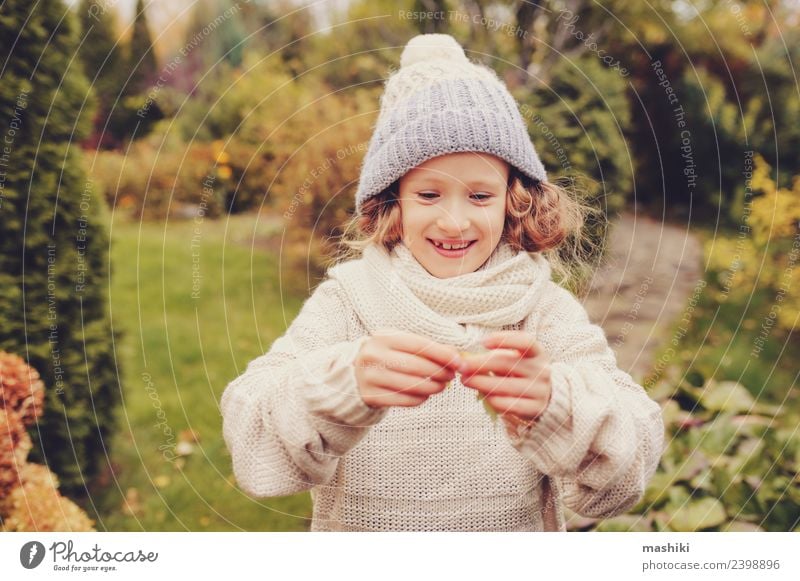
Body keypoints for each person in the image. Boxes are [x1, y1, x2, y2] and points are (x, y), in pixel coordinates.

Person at [220, 33, 664, 532]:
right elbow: (252, 442)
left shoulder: (539, 309)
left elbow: (627, 471)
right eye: (429, 194)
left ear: (513, 201)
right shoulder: (350, 303)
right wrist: (337, 388)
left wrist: (558, 405)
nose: (454, 222)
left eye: (479, 196)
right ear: (394, 201)